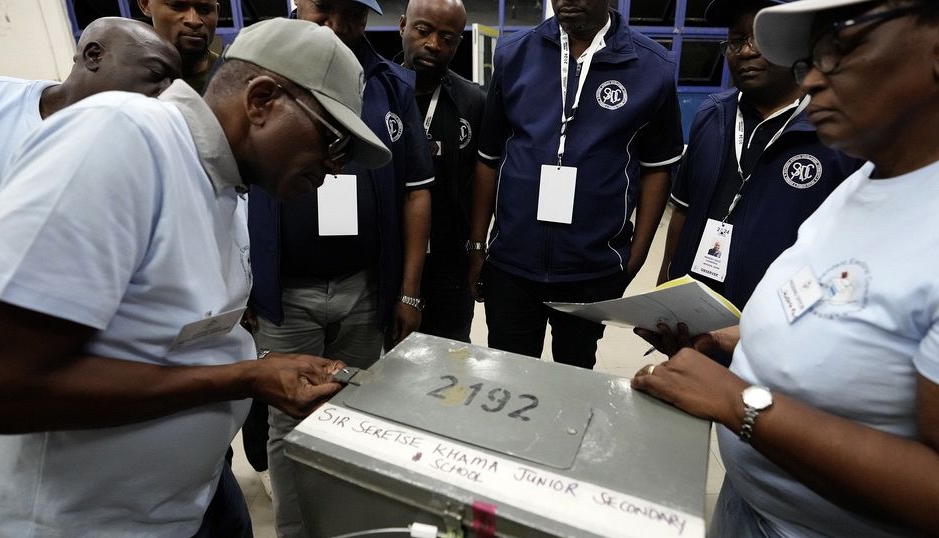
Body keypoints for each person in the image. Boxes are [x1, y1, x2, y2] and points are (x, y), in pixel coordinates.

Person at [0, 18, 391, 536]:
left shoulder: (224, 184)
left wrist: (262, 363)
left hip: (187, 500)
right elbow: (1, 383)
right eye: (331, 142)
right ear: (262, 100)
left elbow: (164, 336)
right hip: (84, 519)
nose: (333, 168)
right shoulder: (122, 137)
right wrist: (244, 377)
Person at [633, 1, 939, 536]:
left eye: (839, 49)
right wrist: (738, 342)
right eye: (810, 59)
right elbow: (840, 300)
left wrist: (739, 401)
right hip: (755, 509)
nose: (810, 80)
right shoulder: (874, 177)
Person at [248, 1, 433, 536]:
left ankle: (346, 527)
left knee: (350, 412)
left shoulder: (389, 84)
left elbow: (417, 194)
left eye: (352, 13)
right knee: (288, 421)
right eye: (323, 9)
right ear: (297, 5)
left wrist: (409, 293)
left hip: (363, 291)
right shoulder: (261, 70)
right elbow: (228, 188)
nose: (335, 25)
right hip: (283, 297)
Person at [467, 0, 684, 369]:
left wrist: (637, 255)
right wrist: (476, 243)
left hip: (592, 271)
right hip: (512, 265)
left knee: (576, 375)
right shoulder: (513, 55)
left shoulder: (652, 67)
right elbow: (489, 158)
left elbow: (656, 169)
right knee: (508, 377)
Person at [656, 0, 861, 313]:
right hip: (692, 314)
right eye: (736, 41)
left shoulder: (837, 137)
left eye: (761, 39)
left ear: (798, 45)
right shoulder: (711, 116)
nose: (746, 51)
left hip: (774, 327)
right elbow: (682, 211)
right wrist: (664, 289)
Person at [0, 17, 180, 206]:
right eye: (156, 73)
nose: (166, 92)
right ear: (94, 55)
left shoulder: (132, 155)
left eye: (172, 83)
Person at [399, 0, 486, 342]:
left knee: (449, 371)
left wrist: (477, 248)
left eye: (448, 38)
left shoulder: (473, 103)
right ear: (403, 25)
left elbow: (483, 182)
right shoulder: (375, 92)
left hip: (450, 267)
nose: (434, 45)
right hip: (385, 262)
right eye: (423, 31)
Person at [138, 0, 219, 93]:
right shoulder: (125, 80)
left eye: (205, 10)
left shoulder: (233, 79)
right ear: (145, 4)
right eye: (177, 6)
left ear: (217, 12)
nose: (194, 21)